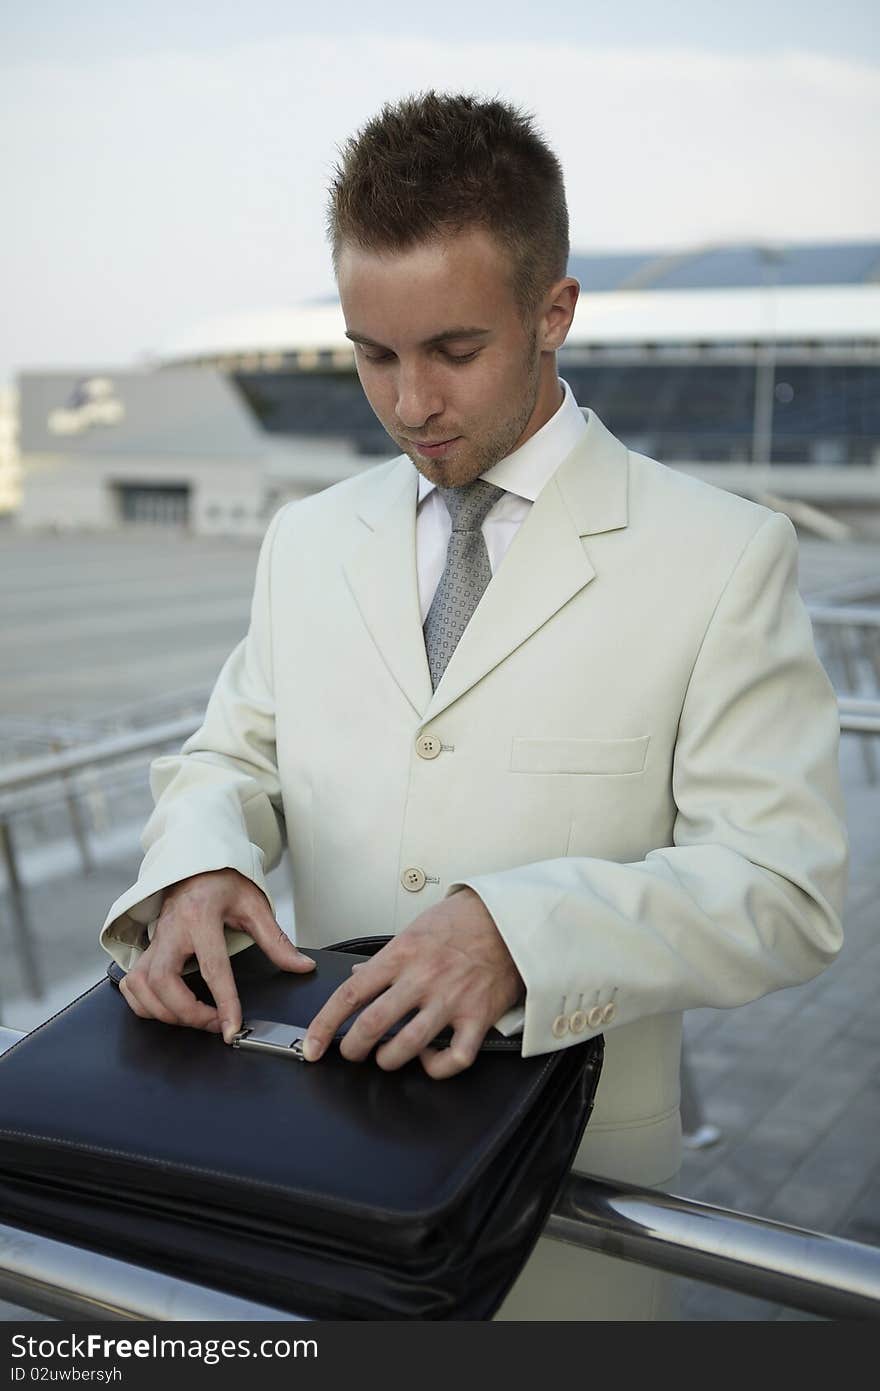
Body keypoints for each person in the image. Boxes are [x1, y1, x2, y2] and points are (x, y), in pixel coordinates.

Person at [100, 91, 848, 1320]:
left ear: (553, 312)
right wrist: (194, 863)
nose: (407, 405)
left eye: (452, 350)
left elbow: (787, 887)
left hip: (573, 1205)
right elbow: (233, 752)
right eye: (371, 353)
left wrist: (519, 931)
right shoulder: (305, 538)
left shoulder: (722, 554)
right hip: (319, 1158)